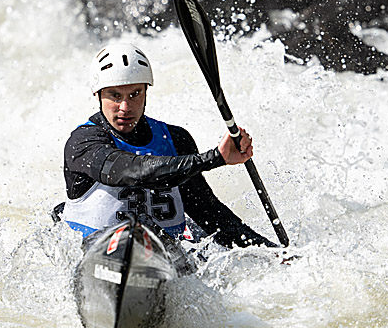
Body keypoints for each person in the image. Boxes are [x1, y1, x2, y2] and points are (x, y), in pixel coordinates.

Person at [58, 42, 275, 249]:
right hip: (95, 249)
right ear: (98, 94)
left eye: (135, 94)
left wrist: (270, 252)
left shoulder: (175, 139)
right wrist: (215, 158)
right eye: (115, 96)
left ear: (146, 91)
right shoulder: (83, 143)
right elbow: (131, 171)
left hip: (163, 252)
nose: (125, 107)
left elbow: (208, 214)